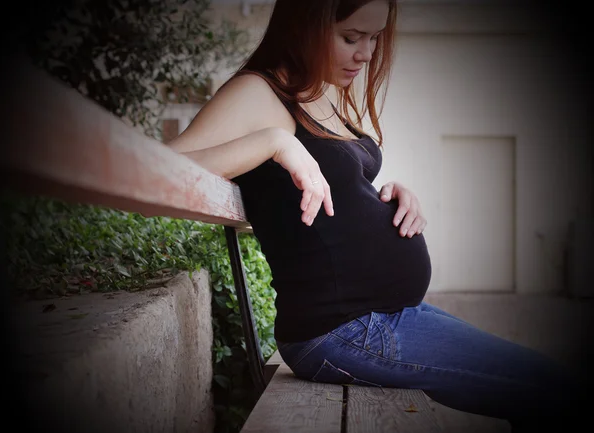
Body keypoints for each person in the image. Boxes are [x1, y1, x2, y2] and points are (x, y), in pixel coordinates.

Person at [167, 0, 590, 430]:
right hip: (343, 331)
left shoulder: (322, 88)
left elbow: (338, 181)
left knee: (547, 379)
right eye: (351, 37)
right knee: (550, 387)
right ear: (304, 26)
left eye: (374, 38)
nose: (366, 53)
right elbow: (162, 168)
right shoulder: (258, 93)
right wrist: (274, 142)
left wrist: (392, 195)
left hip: (380, 317)